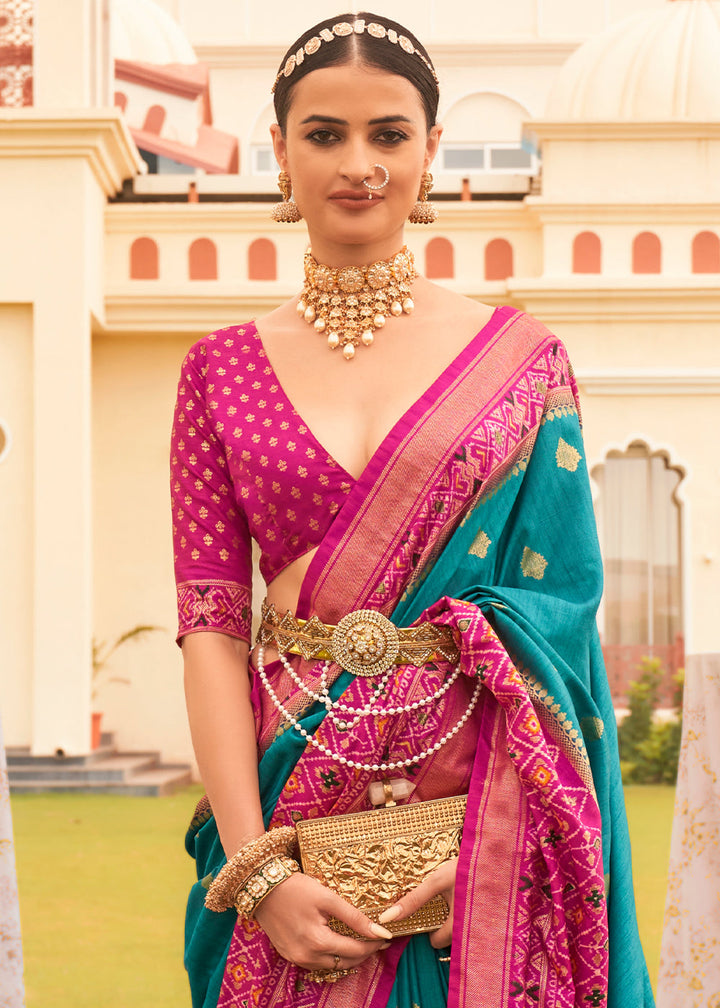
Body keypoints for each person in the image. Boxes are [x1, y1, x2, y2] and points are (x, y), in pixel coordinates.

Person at [171, 12, 654, 1007]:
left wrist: (493, 856)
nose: (359, 164)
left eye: (389, 134)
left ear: (432, 150)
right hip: (285, 809)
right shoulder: (217, 372)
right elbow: (211, 630)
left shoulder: (522, 365)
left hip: (475, 829)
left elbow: (557, 623)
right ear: (281, 151)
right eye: (325, 134)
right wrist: (259, 873)